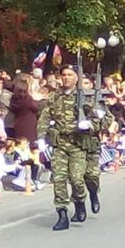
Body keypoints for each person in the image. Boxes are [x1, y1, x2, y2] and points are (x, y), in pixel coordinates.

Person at [37, 65, 92, 231]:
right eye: (64, 75)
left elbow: (99, 118)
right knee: (59, 179)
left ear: (77, 78)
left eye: (70, 75)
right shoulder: (54, 96)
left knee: (76, 179)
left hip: (77, 144)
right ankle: (62, 214)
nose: (66, 77)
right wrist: (40, 137)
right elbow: (45, 118)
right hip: (60, 144)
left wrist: (89, 124)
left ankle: (80, 201)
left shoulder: (84, 97)